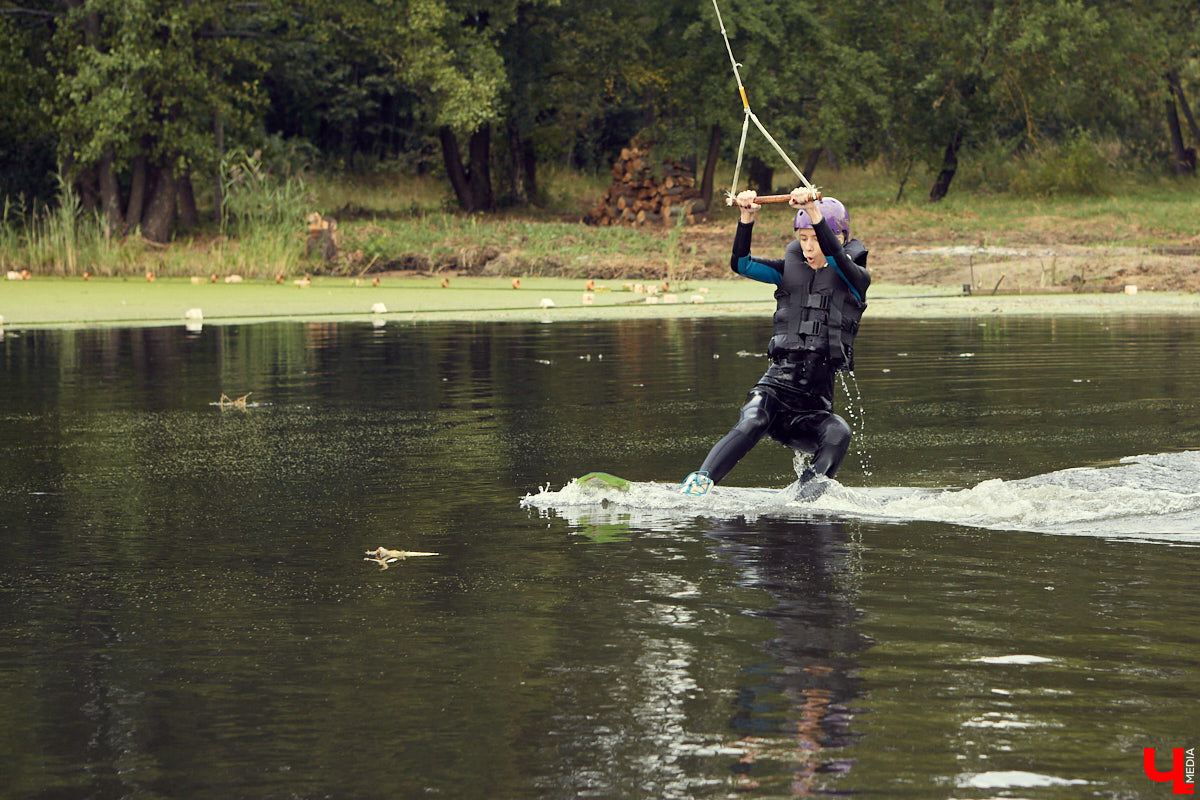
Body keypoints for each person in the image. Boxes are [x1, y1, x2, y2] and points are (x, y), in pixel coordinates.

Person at [680, 187, 870, 498]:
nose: (808, 247)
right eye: (803, 238)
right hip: (774, 391)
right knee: (755, 417)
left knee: (839, 432)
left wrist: (813, 212)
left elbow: (837, 258)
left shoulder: (856, 278)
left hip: (811, 409)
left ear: (839, 238)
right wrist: (746, 218)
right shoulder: (786, 271)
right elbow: (741, 264)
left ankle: (803, 500)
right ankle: (698, 484)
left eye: (815, 238)